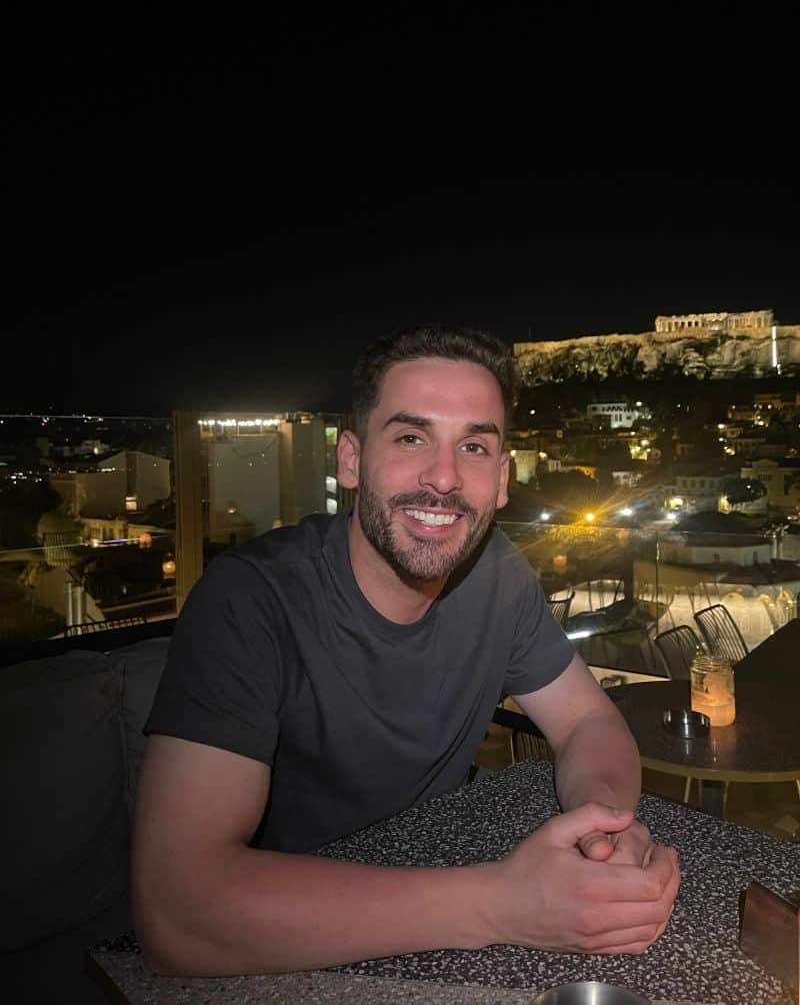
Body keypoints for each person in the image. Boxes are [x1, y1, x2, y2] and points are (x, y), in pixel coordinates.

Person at [132, 323, 680, 976]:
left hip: (440, 905)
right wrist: (501, 904)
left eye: (473, 446)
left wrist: (604, 826)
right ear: (351, 460)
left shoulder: (497, 575)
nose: (443, 477)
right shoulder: (250, 599)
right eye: (411, 437)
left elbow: (587, 720)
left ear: (502, 478)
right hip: (281, 952)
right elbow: (178, 910)